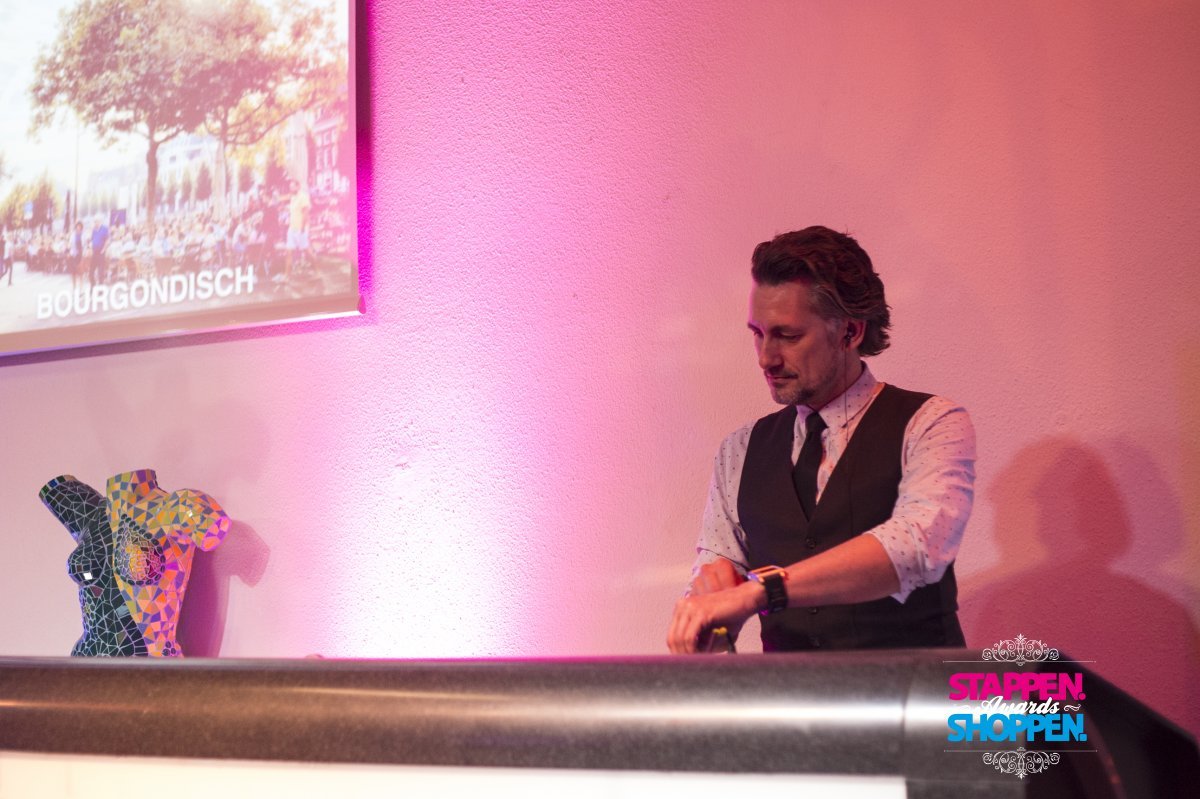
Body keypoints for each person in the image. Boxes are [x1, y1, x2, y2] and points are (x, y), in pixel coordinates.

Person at [667, 226, 975, 654]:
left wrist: (765, 590)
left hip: (914, 693)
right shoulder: (739, 451)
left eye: (788, 336)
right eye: (757, 332)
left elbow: (917, 546)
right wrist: (708, 621)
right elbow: (716, 575)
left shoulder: (931, 423)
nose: (766, 358)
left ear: (850, 332)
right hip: (791, 697)